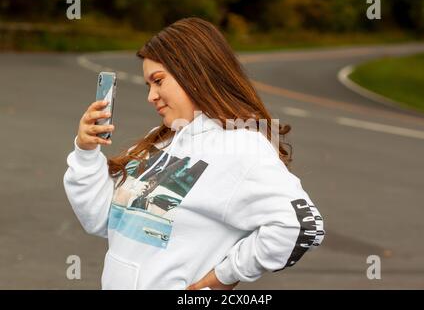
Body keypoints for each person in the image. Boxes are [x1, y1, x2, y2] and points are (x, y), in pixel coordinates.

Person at [63, 17, 325, 290]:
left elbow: (301, 226)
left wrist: (222, 278)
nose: (151, 96)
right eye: (148, 86)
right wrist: (86, 151)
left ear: (195, 73)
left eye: (159, 81)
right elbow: (98, 218)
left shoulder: (240, 147)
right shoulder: (157, 144)